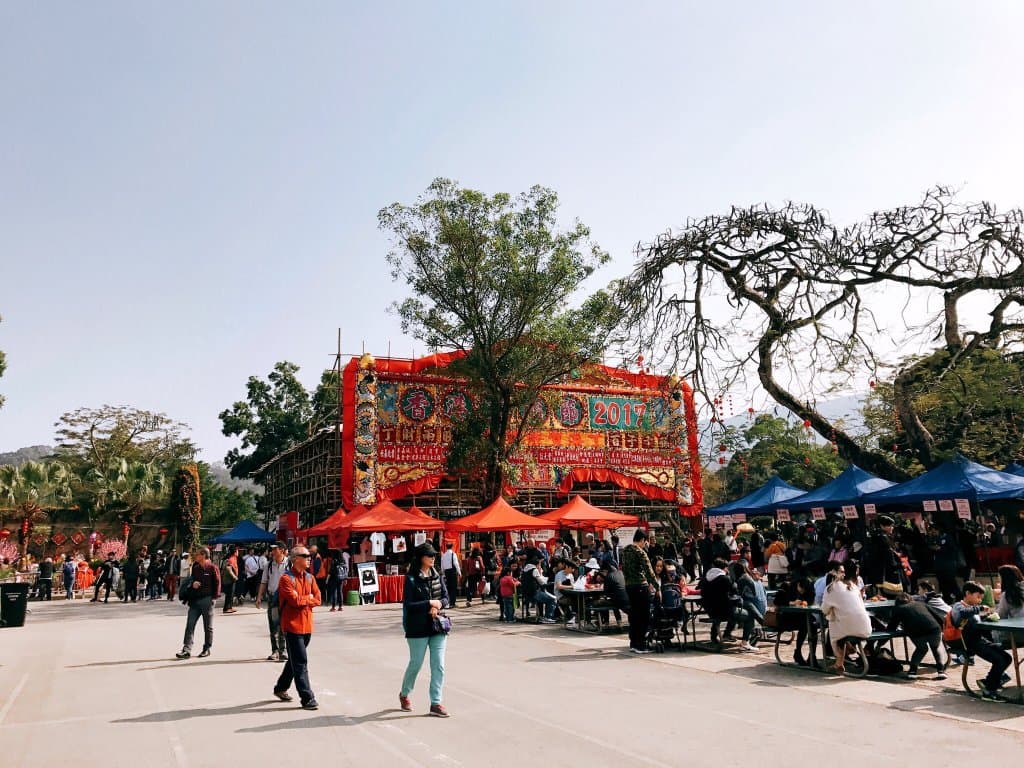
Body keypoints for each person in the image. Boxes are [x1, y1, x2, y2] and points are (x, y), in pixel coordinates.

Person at [400, 542, 451, 717]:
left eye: (434, 555)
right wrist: (429, 603)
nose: (433, 558)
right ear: (421, 557)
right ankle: (404, 693)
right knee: (416, 664)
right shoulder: (411, 578)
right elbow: (409, 605)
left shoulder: (438, 575)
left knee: (439, 665)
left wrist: (438, 605)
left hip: (437, 626)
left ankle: (435, 703)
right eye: (430, 555)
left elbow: (446, 597)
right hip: (417, 628)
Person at [272, 546, 322, 710]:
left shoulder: (310, 577)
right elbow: (294, 602)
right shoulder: (286, 579)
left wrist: (305, 599)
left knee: (294, 659)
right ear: (295, 559)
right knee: (300, 661)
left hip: (307, 626)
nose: (309, 558)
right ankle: (307, 698)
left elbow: (318, 599)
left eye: (310, 555)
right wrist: (308, 598)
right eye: (306, 555)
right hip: (292, 626)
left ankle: (280, 688)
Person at [949, 581, 1012, 699]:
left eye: (981, 598)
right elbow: (963, 614)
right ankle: (989, 690)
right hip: (970, 643)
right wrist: (980, 608)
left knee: (1007, 658)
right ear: (967, 593)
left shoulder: (972, 609)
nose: (979, 600)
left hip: (980, 640)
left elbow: (976, 620)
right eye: (978, 597)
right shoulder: (959, 606)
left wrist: (986, 618)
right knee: (999, 660)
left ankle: (988, 683)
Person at [820, 561, 871, 675]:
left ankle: (839, 660)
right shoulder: (853, 586)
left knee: (833, 621)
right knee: (839, 622)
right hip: (865, 627)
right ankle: (842, 658)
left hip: (847, 629)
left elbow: (824, 610)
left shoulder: (831, 588)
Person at [886, 592, 945, 679]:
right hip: (934, 629)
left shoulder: (898, 608)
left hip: (916, 632)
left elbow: (892, 625)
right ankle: (941, 671)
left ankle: (912, 671)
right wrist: (942, 629)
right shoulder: (921, 604)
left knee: (921, 649)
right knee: (935, 647)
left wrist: (884, 638)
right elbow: (938, 617)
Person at [176, 547, 221, 660]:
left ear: (204, 555)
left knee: (208, 626)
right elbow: (191, 581)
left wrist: (214, 598)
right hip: (195, 601)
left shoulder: (212, 568)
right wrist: (193, 584)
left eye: (198, 554)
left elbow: (217, 583)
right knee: (190, 625)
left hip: (207, 600)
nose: (196, 556)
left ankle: (206, 648)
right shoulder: (195, 569)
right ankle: (186, 649)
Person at [622, 529, 659, 653]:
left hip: (629, 586)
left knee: (633, 615)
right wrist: (657, 586)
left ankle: (633, 642)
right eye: (645, 542)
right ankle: (641, 644)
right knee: (644, 615)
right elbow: (649, 571)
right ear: (643, 540)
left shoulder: (625, 551)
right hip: (640, 586)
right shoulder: (640, 552)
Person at [257, 543, 290, 662]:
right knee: (274, 625)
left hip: (286, 599)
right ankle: (275, 651)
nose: (272, 551)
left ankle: (283, 651)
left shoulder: (289, 564)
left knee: (284, 625)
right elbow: (264, 582)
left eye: (275, 549)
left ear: (282, 550)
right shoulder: (269, 565)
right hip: (273, 599)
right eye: (272, 549)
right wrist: (259, 597)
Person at [774, 576, 817, 665]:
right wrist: (791, 602)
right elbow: (776, 601)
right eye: (801, 589)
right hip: (785, 618)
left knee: (812, 624)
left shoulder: (808, 591)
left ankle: (812, 655)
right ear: (798, 585)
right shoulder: (787, 587)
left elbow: (810, 601)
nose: (801, 592)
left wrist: (804, 603)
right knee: (806, 624)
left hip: (800, 617)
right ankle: (798, 653)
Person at [521, 556, 557, 623]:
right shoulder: (534, 570)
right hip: (534, 593)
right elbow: (541, 582)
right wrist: (551, 583)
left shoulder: (525, 570)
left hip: (526, 594)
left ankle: (542, 616)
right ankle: (548, 617)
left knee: (545, 597)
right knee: (552, 599)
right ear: (537, 564)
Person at [995, 565, 1024, 646]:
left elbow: (1000, 615)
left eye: (999, 577)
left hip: (1019, 635)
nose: (998, 580)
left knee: (995, 632)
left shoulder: (1008, 594)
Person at [440, 542, 461, 608]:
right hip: (452, 572)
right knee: (453, 587)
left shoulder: (443, 555)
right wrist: (459, 572)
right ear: (452, 547)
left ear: (446, 547)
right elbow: (456, 564)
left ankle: (448, 602)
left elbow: (442, 565)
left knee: (448, 587)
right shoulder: (453, 554)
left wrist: (443, 573)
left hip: (446, 572)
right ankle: (452, 603)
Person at [221, 547, 239, 614]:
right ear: (234, 552)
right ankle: (226, 608)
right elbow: (228, 568)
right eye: (237, 551)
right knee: (229, 594)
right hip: (229, 579)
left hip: (231, 579)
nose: (238, 552)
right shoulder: (231, 559)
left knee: (231, 594)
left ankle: (230, 607)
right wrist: (234, 576)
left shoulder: (234, 558)